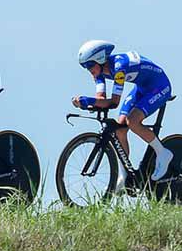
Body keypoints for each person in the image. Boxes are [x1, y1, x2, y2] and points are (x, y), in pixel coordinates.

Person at [72, 40, 174, 182]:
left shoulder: (119, 67)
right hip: (141, 88)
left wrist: (88, 101)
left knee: (132, 121)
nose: (88, 70)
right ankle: (125, 174)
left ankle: (163, 153)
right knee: (120, 129)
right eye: (84, 66)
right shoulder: (98, 72)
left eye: (89, 65)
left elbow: (114, 102)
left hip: (159, 86)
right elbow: (101, 99)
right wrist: (86, 103)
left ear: (100, 59)